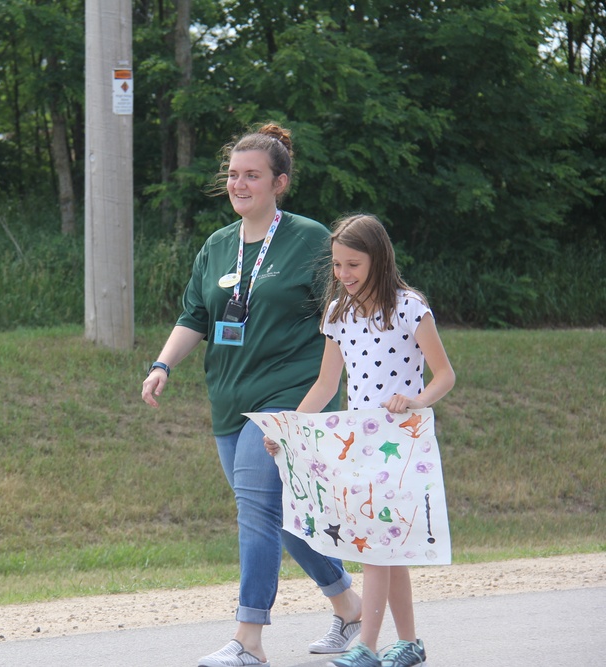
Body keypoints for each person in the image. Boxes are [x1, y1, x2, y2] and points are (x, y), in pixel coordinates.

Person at [141, 123, 363, 667]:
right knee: (283, 519)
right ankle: (351, 607)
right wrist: (163, 363)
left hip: (292, 395)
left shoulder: (312, 239)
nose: (239, 184)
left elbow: (344, 311)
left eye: (252, 176)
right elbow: (195, 316)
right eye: (234, 175)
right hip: (229, 397)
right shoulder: (218, 245)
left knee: (257, 512)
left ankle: (249, 641)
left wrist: (346, 384)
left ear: (278, 183)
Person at [265, 213, 456, 667]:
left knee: (376, 545)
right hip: (359, 445)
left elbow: (445, 375)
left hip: (401, 442)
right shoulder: (338, 314)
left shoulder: (410, 307)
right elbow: (326, 386)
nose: (343, 275)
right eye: (336, 265)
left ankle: (366, 647)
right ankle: (408, 643)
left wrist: (415, 399)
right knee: (388, 546)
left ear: (379, 259)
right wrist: (289, 430)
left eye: (353, 264)